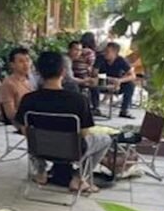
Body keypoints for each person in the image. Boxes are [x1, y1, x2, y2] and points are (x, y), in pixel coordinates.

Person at [15, 51, 112, 193]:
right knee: (105, 139)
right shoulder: (79, 100)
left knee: (33, 136)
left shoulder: (28, 99)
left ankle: (41, 172)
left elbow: (24, 130)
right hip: (72, 151)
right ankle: (79, 178)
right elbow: (84, 132)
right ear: (63, 72)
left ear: (39, 72)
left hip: (40, 150)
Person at [96, 42, 137, 118]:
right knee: (93, 82)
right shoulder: (100, 58)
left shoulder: (121, 60)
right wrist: (110, 79)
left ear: (115, 53)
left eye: (107, 52)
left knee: (130, 85)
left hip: (117, 83)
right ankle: (96, 108)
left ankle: (124, 110)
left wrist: (120, 80)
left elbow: (132, 75)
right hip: (102, 80)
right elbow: (94, 73)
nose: (105, 53)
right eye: (105, 51)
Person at [0, 47, 34, 124]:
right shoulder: (8, 84)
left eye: (27, 60)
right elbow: (10, 114)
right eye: (21, 61)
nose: (26, 64)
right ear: (12, 65)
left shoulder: (33, 80)